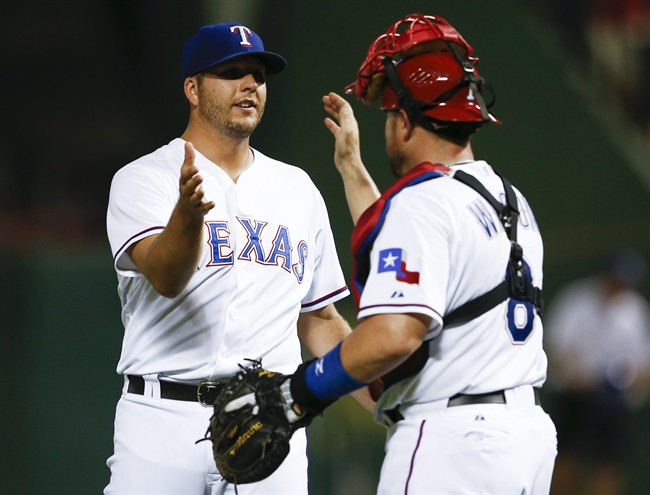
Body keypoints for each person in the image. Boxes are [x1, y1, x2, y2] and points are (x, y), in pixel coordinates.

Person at [279, 13, 558, 494]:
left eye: (389, 116)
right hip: (523, 438)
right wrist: (352, 168)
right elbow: (410, 252)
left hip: (452, 440)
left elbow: (393, 336)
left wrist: (298, 392)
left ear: (405, 121)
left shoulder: (424, 204)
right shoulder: (506, 199)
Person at [104, 22, 363, 495]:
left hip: (269, 421)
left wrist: (380, 394)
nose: (250, 85)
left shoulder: (297, 188)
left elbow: (320, 319)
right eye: (230, 72)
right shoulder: (144, 179)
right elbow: (164, 275)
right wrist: (185, 216)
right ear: (193, 89)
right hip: (162, 419)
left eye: (258, 75)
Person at [545, 248, 650, 495]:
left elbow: (643, 365)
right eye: (615, 279)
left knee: (609, 466)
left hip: (614, 400)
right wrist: (577, 377)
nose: (619, 286)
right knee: (563, 461)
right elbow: (556, 348)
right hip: (574, 395)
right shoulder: (577, 299)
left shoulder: (635, 309)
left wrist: (629, 383)